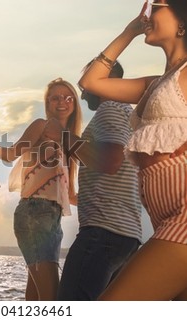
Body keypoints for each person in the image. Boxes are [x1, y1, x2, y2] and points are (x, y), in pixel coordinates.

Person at [78, 1, 187, 300]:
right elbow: (90, 82)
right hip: (163, 219)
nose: (149, 13)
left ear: (182, 21)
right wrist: (129, 31)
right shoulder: (155, 84)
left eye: (158, 6)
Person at [0, 78, 82, 300]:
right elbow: (12, 154)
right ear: (47, 103)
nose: (63, 102)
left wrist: (109, 198)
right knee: (52, 295)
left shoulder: (69, 142)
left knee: (36, 296)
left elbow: (70, 196)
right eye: (55, 98)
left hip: (53, 220)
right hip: (33, 214)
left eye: (68, 98)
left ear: (75, 103)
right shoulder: (41, 125)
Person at [43, 62, 142, 301]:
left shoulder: (110, 108)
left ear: (105, 82)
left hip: (103, 234)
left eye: (87, 83)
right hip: (124, 235)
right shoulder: (130, 115)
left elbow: (111, 161)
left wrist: (64, 136)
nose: (83, 91)